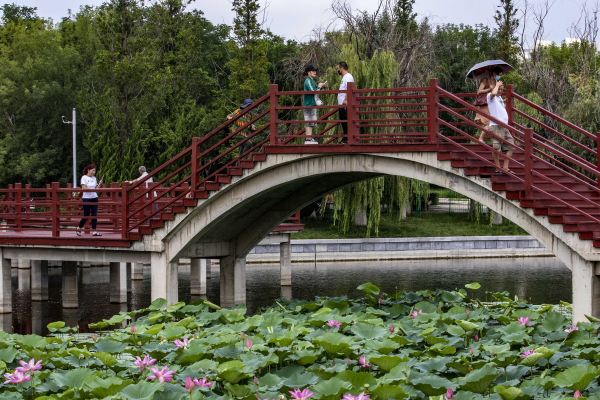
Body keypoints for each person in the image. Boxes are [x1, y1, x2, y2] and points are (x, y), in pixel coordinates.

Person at [487, 74, 515, 173]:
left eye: (502, 89)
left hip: (504, 126)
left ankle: (505, 167)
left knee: (511, 145)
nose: (500, 90)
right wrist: (496, 85)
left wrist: (503, 100)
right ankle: (497, 167)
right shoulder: (490, 97)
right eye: (499, 88)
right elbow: (493, 94)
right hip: (496, 126)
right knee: (496, 147)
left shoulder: (499, 99)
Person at [76, 164, 104, 236]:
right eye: (92, 170)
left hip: (94, 197)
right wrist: (93, 189)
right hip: (86, 198)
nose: (94, 172)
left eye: (94, 171)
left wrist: (99, 185)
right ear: (88, 170)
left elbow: (96, 189)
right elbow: (84, 187)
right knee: (86, 215)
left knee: (94, 215)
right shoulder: (84, 177)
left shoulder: (94, 178)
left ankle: (94, 231)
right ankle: (79, 228)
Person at [302, 65, 326, 144]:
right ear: (309, 72)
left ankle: (309, 138)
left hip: (312, 103)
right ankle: (308, 139)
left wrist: (320, 87)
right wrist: (319, 87)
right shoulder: (308, 80)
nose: (315, 72)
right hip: (308, 103)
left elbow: (316, 90)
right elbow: (313, 91)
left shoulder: (312, 81)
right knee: (309, 121)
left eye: (315, 71)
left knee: (311, 121)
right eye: (313, 71)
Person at [337, 62, 354, 144]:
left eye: (338, 68)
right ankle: (346, 137)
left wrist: (346, 99)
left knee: (345, 121)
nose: (338, 70)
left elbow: (349, 88)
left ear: (342, 68)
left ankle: (347, 138)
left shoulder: (348, 77)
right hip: (342, 104)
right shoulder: (345, 77)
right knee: (343, 121)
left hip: (345, 104)